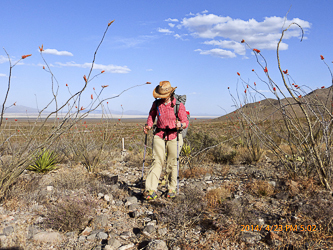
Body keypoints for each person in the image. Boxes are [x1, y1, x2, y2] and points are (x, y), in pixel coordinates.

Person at [143, 81, 189, 200]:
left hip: (174, 135)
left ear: (170, 93)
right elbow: (151, 116)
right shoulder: (156, 104)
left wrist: (181, 124)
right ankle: (151, 189)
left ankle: (171, 187)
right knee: (157, 161)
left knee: (172, 163)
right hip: (159, 133)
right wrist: (148, 125)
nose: (161, 98)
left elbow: (185, 121)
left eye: (164, 95)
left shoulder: (178, 105)